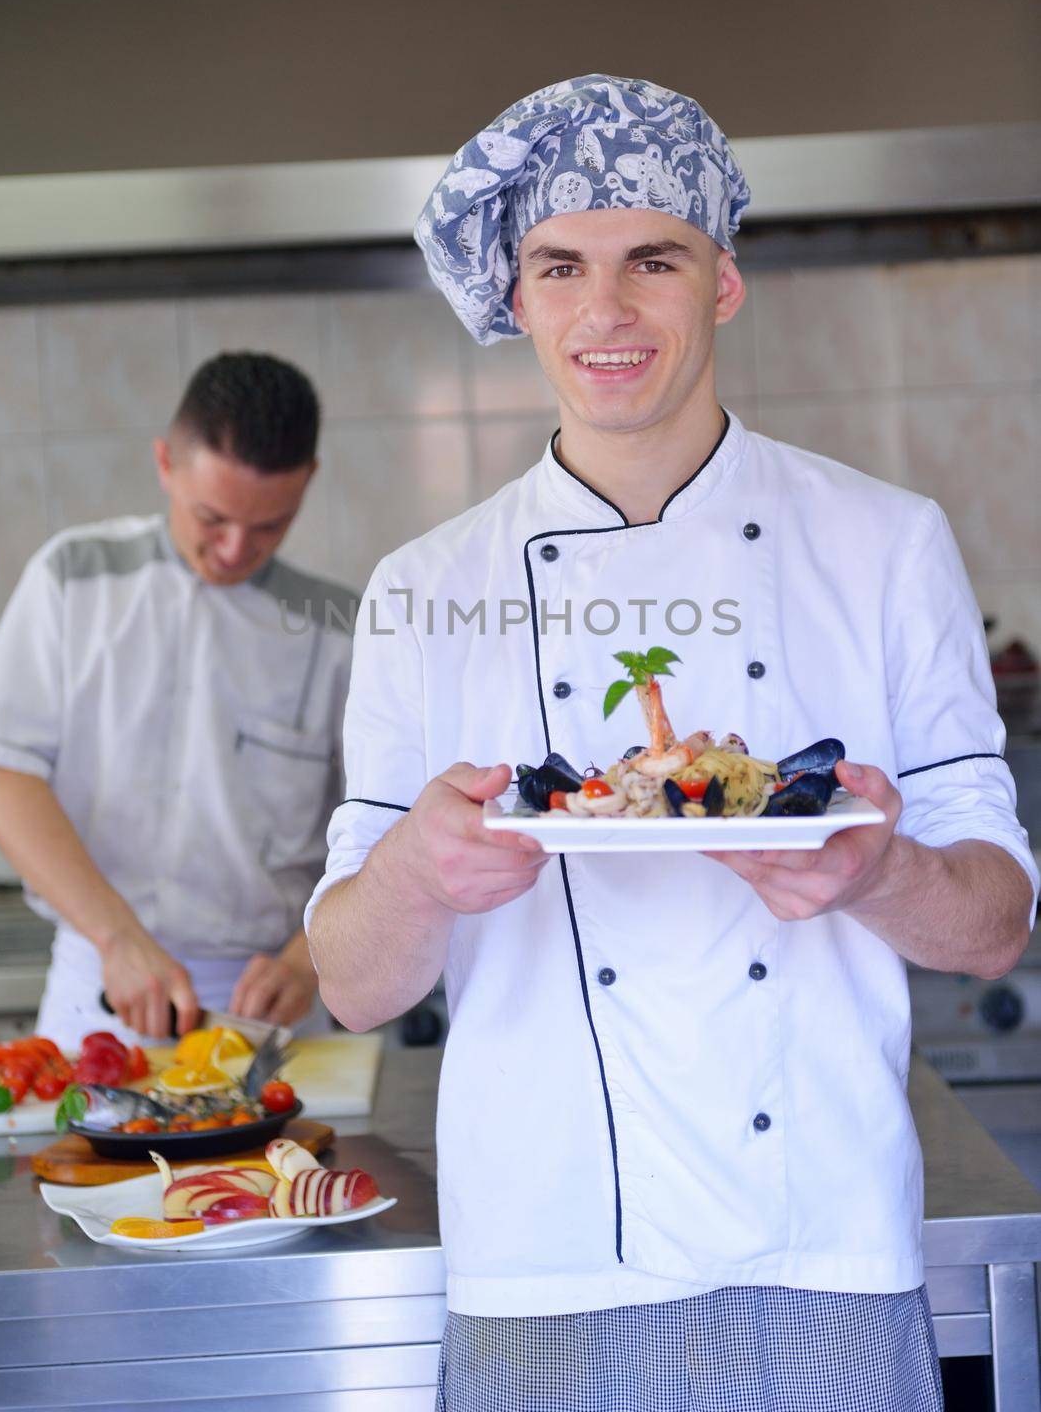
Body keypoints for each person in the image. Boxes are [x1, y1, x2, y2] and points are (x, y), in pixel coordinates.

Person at [305, 77, 1038, 1411]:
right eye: (561, 267)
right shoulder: (422, 587)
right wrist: (417, 872)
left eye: (655, 259)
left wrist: (877, 875)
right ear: (516, 298)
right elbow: (352, 986)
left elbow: (994, 927)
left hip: (823, 1244)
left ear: (724, 285)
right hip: (542, 1260)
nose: (606, 312)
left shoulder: (884, 543)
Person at [0, 351, 353, 1046]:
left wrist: (313, 959)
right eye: (212, 517)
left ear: (308, 484)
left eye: (271, 525)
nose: (237, 548)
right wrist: (116, 937)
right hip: (103, 986)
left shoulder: (336, 630)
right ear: (165, 465)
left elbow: (380, 823)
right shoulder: (72, 579)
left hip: (274, 1004)